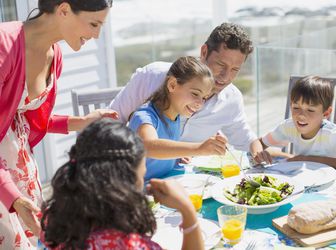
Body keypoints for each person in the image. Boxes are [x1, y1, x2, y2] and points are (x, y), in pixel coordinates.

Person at [0, 1, 118, 248]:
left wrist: (82, 122)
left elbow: (29, 119)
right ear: (64, 10)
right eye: (94, 24)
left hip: (21, 171)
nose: (96, 35)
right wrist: (13, 198)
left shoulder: (55, 55)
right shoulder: (4, 45)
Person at [109, 22, 273, 164]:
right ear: (204, 52)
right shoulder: (152, 78)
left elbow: (246, 139)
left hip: (184, 177)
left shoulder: (231, 99)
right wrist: (195, 149)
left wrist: (266, 153)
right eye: (221, 65)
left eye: (235, 69)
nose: (226, 76)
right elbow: (110, 125)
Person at [41, 118, 203, 250]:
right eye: (142, 176)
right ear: (123, 185)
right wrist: (187, 210)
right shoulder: (127, 244)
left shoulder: (56, 218)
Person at [129, 56, 227, 180]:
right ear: (172, 85)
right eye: (195, 94)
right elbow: (150, 147)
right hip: (138, 193)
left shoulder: (175, 117)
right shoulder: (144, 117)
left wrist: (175, 157)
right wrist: (199, 149)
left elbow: (159, 154)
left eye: (204, 98)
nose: (200, 103)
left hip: (162, 185)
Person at [255, 75, 336, 171]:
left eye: (310, 110)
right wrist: (259, 154)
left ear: (326, 113)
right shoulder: (289, 127)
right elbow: (258, 142)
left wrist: (310, 159)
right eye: (296, 107)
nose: (301, 115)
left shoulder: (331, 135)